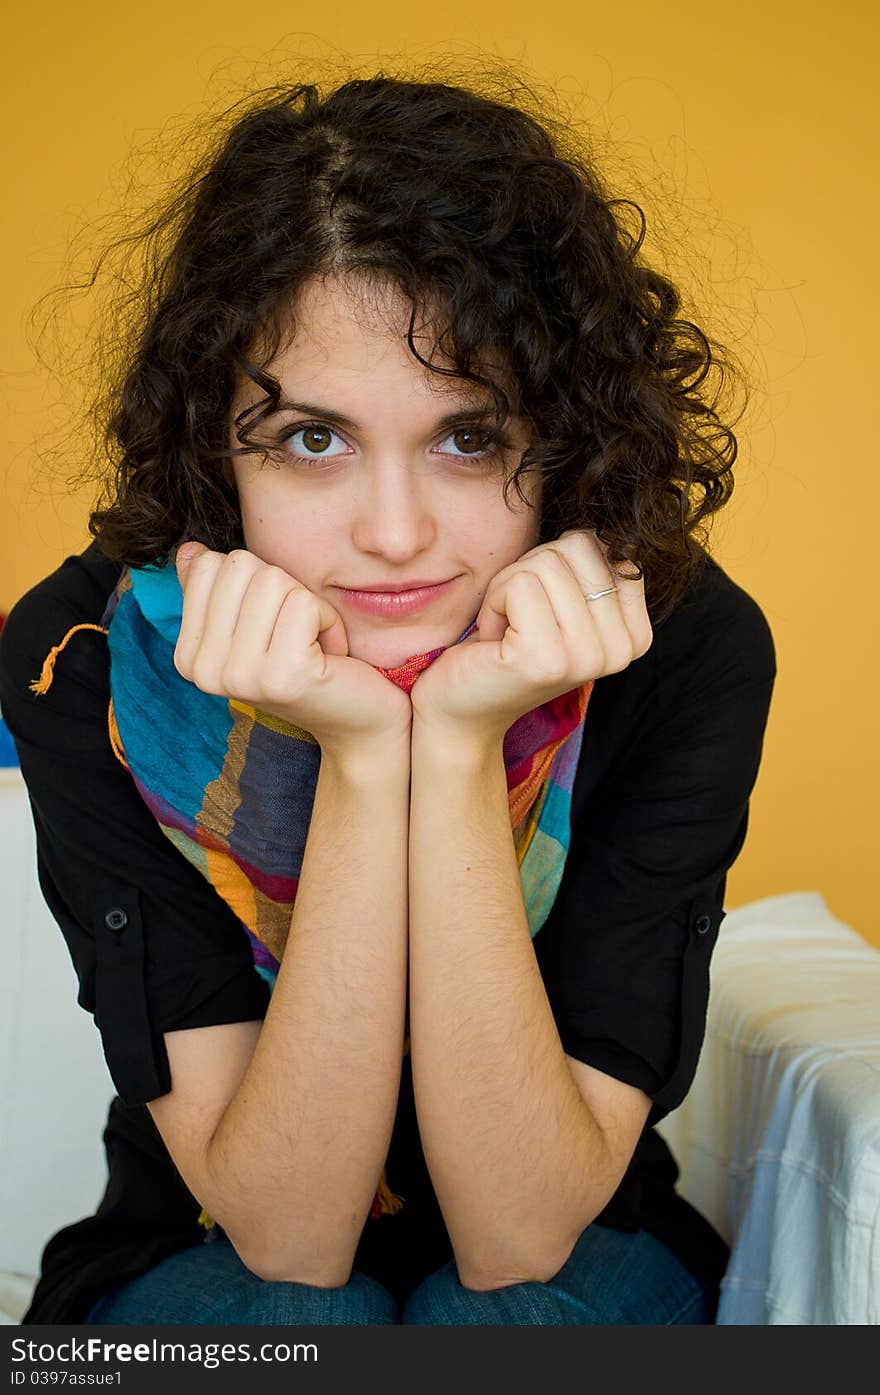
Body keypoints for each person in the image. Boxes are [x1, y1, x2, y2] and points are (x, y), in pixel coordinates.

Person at [0, 72, 775, 1326]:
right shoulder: (88, 657)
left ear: (566, 440)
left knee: (498, 1322)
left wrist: (461, 738)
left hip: (581, 1233)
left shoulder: (681, 645)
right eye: (312, 439)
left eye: (468, 437)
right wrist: (364, 753)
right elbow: (289, 1238)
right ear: (214, 444)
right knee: (301, 1325)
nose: (397, 534)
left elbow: (520, 1234)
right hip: (199, 1241)